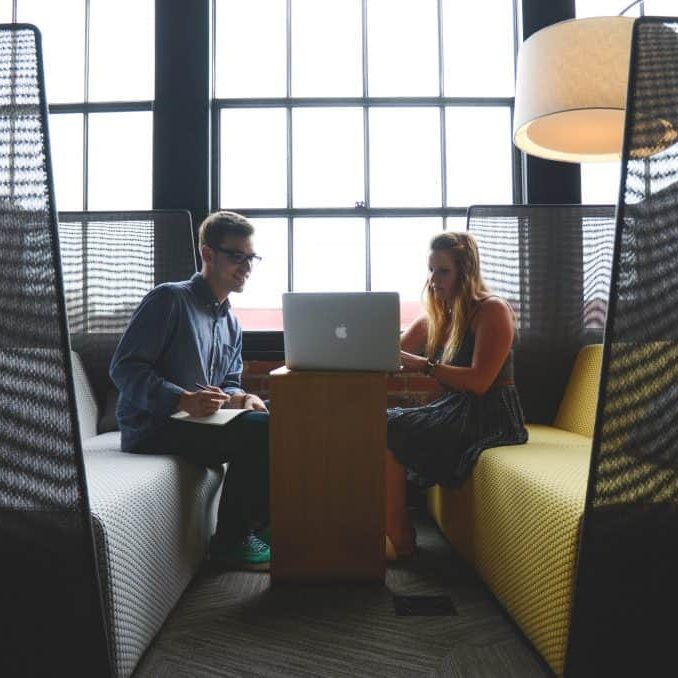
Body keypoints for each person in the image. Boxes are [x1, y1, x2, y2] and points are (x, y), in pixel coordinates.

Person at [110, 210, 271, 571]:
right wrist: (181, 399)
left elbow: (229, 380)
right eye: (236, 256)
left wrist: (241, 397)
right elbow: (125, 369)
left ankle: (265, 524)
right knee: (262, 431)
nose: (246, 266)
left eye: (251, 258)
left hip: (201, 423)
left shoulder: (231, 322)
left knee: (279, 416)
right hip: (154, 427)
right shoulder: (169, 299)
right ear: (208, 254)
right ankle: (230, 543)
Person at [385, 232, 528, 559]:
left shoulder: (492, 310)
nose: (433, 280)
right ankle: (395, 530)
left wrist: (426, 366)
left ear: (465, 271)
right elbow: (391, 356)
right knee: (381, 424)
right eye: (430, 270)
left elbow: (480, 382)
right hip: (453, 408)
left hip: (491, 414)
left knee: (389, 427)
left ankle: (400, 537)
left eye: (443, 271)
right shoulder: (436, 316)